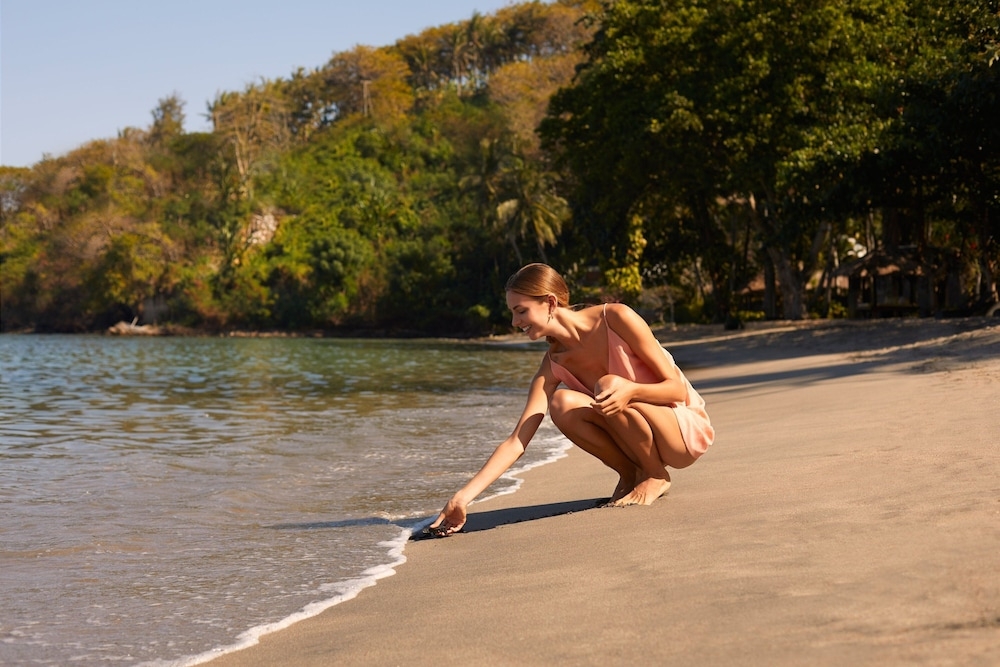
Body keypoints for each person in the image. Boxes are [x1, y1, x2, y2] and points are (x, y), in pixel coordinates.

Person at [426, 263, 714, 537]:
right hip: (638, 435)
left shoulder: (616, 318)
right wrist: (462, 498)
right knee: (561, 403)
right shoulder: (553, 364)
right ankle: (630, 475)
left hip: (680, 430)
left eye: (521, 311)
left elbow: (676, 390)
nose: (515, 322)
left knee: (608, 385)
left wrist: (630, 390)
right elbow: (517, 441)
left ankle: (655, 475)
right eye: (512, 313)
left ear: (550, 302)